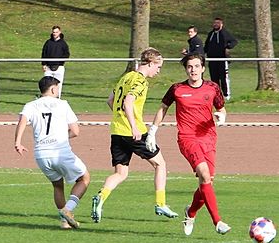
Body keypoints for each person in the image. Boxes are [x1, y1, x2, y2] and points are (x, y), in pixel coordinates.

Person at [90, 47, 178, 222]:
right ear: (150, 63)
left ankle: (101, 196)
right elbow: (128, 102)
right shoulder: (140, 81)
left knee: (121, 173)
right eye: (158, 67)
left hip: (117, 131)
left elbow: (110, 100)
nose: (158, 71)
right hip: (133, 132)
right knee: (160, 164)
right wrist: (133, 126)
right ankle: (160, 203)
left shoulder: (126, 77)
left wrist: (121, 118)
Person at [151, 52, 231, 235]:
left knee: (207, 180)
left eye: (196, 66)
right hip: (187, 138)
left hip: (209, 138)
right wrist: (153, 131)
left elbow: (221, 109)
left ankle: (191, 212)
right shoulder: (177, 89)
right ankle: (217, 221)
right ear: (186, 69)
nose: (193, 70)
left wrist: (222, 117)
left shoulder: (212, 88)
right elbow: (163, 107)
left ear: (202, 68)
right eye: (189, 67)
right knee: (204, 174)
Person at [14, 76, 90, 229]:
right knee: (84, 179)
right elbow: (75, 131)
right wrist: (62, 136)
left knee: (57, 186)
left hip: (41, 155)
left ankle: (64, 222)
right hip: (60, 151)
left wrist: (18, 142)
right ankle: (68, 209)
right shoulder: (63, 104)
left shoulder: (30, 105)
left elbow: (22, 121)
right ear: (53, 89)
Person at [204, 17, 238, 100]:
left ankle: (226, 95)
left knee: (223, 78)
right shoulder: (211, 34)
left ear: (221, 24)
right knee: (214, 78)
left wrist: (228, 47)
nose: (216, 24)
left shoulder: (224, 33)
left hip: (222, 60)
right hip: (212, 60)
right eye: (215, 23)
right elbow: (206, 46)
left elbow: (234, 41)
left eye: (218, 23)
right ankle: (217, 95)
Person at [41, 25, 70, 97]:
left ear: (59, 32)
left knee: (58, 85)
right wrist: (44, 64)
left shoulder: (63, 43)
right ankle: (46, 99)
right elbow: (44, 53)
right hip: (48, 67)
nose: (55, 34)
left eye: (56, 32)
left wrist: (60, 62)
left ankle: (57, 99)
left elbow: (66, 54)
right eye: (54, 32)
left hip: (59, 67)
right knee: (47, 85)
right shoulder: (48, 42)